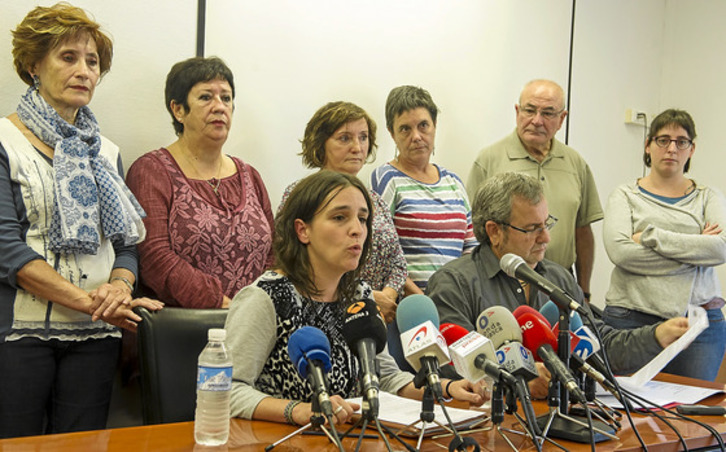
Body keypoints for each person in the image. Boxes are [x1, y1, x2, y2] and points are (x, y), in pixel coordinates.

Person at [0, 3, 163, 438]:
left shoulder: (106, 151)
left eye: (92, 62)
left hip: (96, 335)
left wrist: (120, 288)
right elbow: (6, 250)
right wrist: (91, 302)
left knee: (83, 444)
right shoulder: (5, 141)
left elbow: (125, 244)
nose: (84, 71)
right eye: (68, 57)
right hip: (19, 335)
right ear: (33, 65)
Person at [226, 170, 485, 424]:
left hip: (348, 438)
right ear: (303, 230)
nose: (357, 230)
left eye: (362, 219)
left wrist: (447, 388)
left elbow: (386, 378)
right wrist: (298, 411)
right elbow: (228, 390)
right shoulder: (265, 298)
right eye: (340, 217)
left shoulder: (360, 295)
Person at [427, 172, 689, 398]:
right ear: (495, 231)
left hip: (560, 416)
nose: (546, 238)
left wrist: (657, 336)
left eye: (547, 224)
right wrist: (518, 380)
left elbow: (598, 347)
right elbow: (455, 367)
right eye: (532, 228)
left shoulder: (557, 278)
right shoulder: (454, 283)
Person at [126, 57, 274, 309]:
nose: (219, 107)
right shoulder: (151, 171)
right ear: (178, 110)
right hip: (185, 326)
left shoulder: (250, 175)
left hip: (252, 321)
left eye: (226, 98)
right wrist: (222, 304)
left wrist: (258, 306)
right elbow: (154, 257)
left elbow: (275, 254)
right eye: (206, 97)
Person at [602, 109, 726, 381]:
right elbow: (621, 253)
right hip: (631, 319)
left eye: (681, 142)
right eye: (663, 140)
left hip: (699, 324)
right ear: (648, 145)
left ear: (691, 149)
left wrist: (651, 236)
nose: (672, 148)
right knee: (626, 401)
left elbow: (720, 249)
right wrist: (697, 249)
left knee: (691, 404)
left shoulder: (708, 197)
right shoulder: (624, 195)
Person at [466, 80, 602, 301]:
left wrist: (584, 290)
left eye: (547, 113)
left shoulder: (575, 163)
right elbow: (474, 229)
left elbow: (582, 230)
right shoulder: (489, 159)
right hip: (505, 282)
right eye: (529, 110)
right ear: (517, 111)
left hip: (560, 283)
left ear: (562, 119)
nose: (537, 121)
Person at [278, 101, 407, 323]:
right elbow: (290, 259)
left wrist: (387, 297)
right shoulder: (299, 194)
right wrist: (366, 297)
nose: (357, 147)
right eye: (345, 138)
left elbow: (398, 263)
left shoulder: (376, 201)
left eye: (363, 137)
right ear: (320, 144)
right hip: (324, 315)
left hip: (380, 320)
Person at [371, 85, 477, 296]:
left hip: (456, 302)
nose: (416, 136)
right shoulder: (387, 179)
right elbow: (381, 253)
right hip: (410, 305)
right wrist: (423, 301)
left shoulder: (454, 182)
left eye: (423, 125)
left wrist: (459, 296)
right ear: (392, 133)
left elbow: (471, 248)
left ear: (435, 126)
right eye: (405, 129)